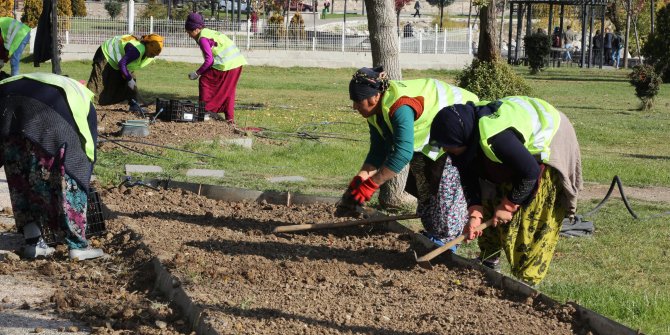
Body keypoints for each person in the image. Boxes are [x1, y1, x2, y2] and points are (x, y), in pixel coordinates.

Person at [429, 96, 582, 285]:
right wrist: (475, 212)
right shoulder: (466, 134)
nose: (445, 149)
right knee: (491, 202)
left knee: (529, 220)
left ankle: (527, 282)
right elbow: (468, 173)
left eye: (449, 146)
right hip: (514, 150)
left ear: (463, 139)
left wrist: (509, 205)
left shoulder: (495, 137)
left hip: (550, 138)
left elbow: (530, 172)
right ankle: (489, 261)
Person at [340, 67, 479, 247]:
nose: (354, 107)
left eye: (358, 101)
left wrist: (371, 185)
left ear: (375, 97)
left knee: (445, 190)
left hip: (458, 126)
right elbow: (378, 151)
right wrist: (359, 181)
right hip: (433, 134)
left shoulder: (400, 107)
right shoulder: (374, 111)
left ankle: (446, 244)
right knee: (425, 188)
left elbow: (402, 154)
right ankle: (433, 234)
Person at [0, 73, 106, 260]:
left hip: (8, 109)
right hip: (49, 119)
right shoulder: (84, 98)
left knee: (20, 176)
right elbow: (88, 147)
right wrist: (83, 174)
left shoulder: (15, 82)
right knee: (70, 178)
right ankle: (77, 246)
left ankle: (33, 243)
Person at [185, 12, 247, 124]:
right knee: (229, 91)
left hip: (226, 64)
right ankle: (230, 119)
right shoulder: (209, 32)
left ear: (196, 29)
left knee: (205, 80)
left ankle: (205, 111)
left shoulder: (203, 38)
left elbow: (209, 60)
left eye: (189, 32)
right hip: (237, 63)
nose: (189, 35)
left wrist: (197, 73)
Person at [86, 34, 164, 107]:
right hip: (106, 53)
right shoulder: (136, 51)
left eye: (155, 55)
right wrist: (129, 79)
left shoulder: (147, 53)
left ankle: (134, 104)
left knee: (131, 80)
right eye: (152, 53)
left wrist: (129, 78)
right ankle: (86, 102)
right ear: (148, 45)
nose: (153, 56)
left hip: (122, 60)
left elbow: (127, 64)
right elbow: (122, 64)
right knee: (98, 81)